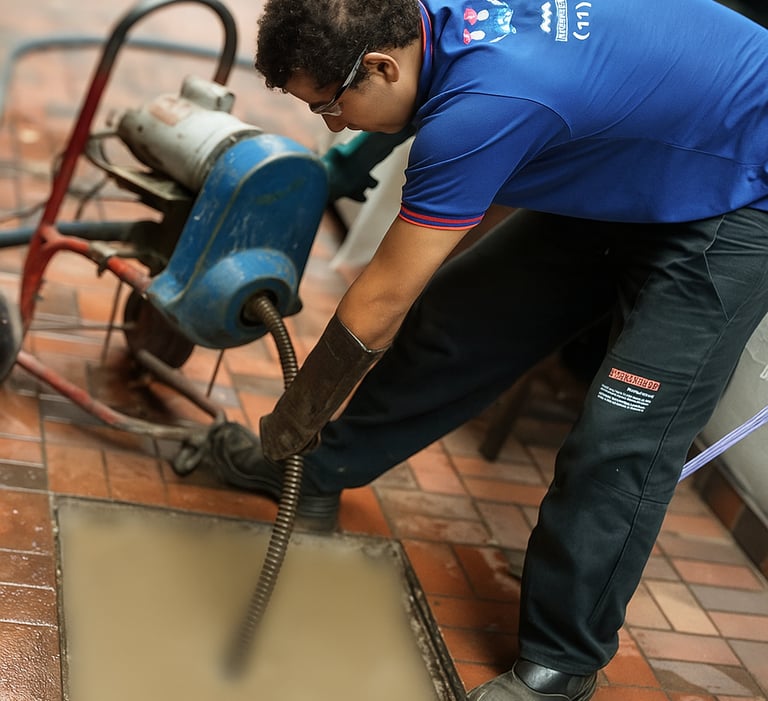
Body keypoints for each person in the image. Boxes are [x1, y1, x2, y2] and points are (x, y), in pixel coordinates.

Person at [213, 0, 768, 698]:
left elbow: (379, 302)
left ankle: (563, 662)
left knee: (621, 437)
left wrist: (290, 418)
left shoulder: (486, 103)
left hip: (743, 184)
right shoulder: (426, 27)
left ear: (382, 66)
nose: (336, 124)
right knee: (459, 316)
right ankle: (316, 471)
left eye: (331, 107)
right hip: (644, 150)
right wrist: (357, 153)